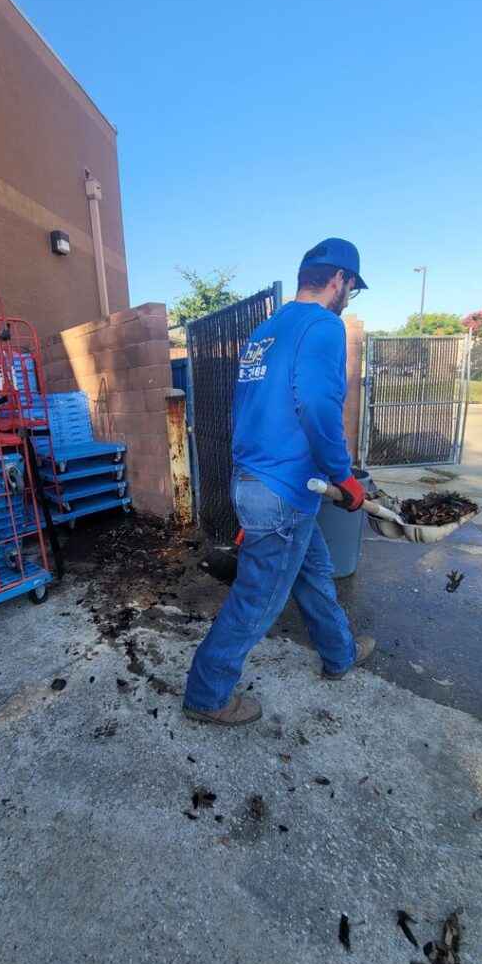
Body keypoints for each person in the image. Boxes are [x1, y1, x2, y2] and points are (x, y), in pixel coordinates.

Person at [182, 238, 376, 726]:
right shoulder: (324, 326)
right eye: (350, 287)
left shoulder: (266, 332)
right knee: (258, 598)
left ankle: (340, 652)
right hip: (285, 491)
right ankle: (206, 693)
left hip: (257, 480)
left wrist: (253, 486)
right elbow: (316, 404)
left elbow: (246, 410)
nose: (348, 297)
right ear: (340, 280)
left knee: (313, 573)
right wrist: (343, 475)